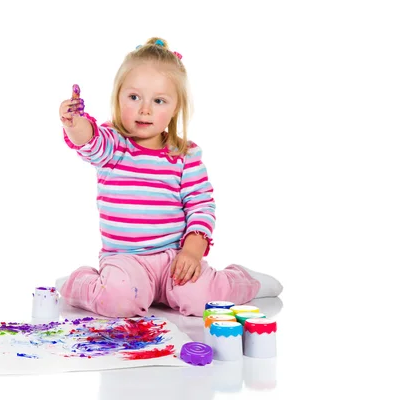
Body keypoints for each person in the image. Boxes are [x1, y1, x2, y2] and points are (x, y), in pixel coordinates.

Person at [57, 37, 282, 318]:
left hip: (174, 258)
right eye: (134, 97)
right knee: (118, 301)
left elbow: (201, 206)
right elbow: (88, 141)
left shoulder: (184, 155)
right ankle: (80, 285)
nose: (145, 109)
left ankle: (243, 282)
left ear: (175, 108)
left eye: (159, 100)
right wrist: (74, 123)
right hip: (125, 261)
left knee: (203, 300)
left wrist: (191, 253)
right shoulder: (112, 146)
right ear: (118, 97)